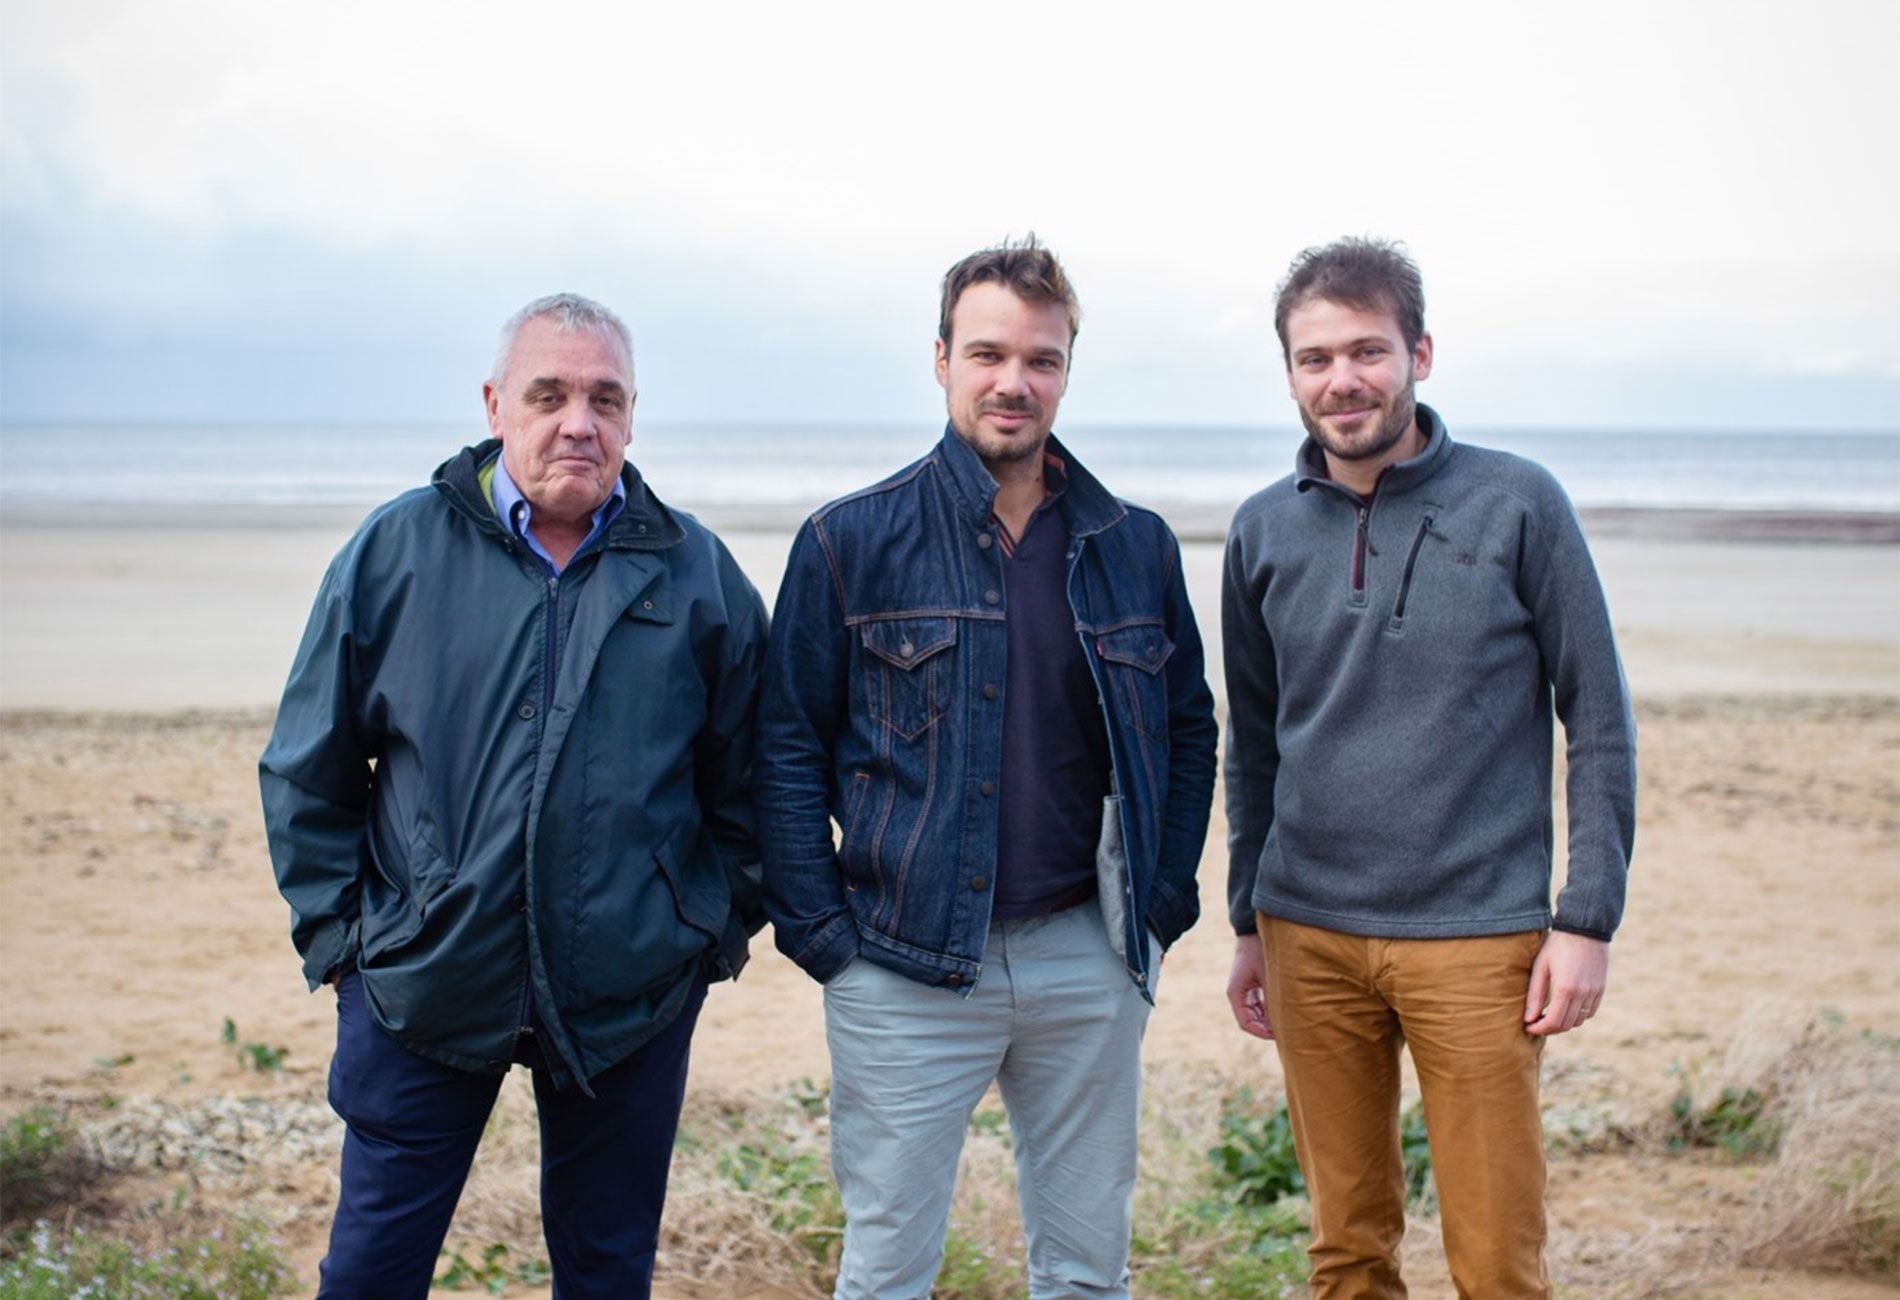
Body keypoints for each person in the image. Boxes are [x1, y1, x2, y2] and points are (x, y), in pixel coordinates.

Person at [259, 293, 768, 1300]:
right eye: (549, 393)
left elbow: (750, 784)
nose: (577, 420)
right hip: (424, 983)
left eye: (604, 398)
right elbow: (307, 764)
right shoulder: (396, 551)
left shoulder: (696, 573)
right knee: (367, 1274)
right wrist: (345, 951)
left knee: (606, 1273)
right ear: (496, 404)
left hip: (631, 994)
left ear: (631, 417)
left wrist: (703, 933)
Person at [757, 237, 1218, 1300]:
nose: (1014, 381)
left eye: (1042, 359)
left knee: (1085, 1272)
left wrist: (1158, 902)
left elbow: (1188, 727)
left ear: (1065, 370)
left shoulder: (1132, 544)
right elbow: (783, 749)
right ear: (941, 360)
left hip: (1086, 956)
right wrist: (824, 936)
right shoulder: (848, 540)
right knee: (885, 1273)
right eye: (988, 354)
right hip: (901, 964)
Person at [1222, 237, 1638, 1299]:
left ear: (1420, 353)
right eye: (1314, 358)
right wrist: (1243, 924)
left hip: (1479, 937)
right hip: (1306, 932)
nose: (1342, 379)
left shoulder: (1518, 502)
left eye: (1367, 349)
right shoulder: (1261, 528)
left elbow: (1594, 712)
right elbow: (1255, 740)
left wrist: (1585, 917)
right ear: (1288, 373)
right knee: (1346, 1250)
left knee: (1498, 1257)